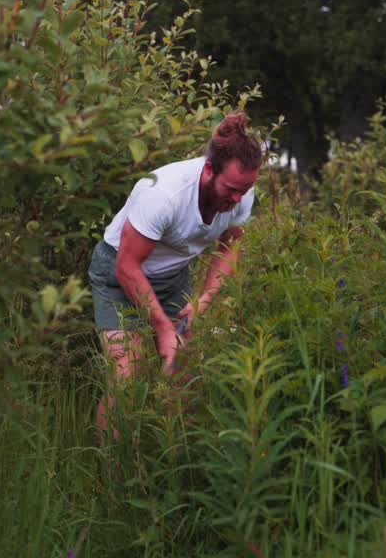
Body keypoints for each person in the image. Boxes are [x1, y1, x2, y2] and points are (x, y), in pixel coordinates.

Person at [88, 110, 262, 436]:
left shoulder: (240, 192)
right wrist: (162, 327)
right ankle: (111, 464)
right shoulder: (164, 194)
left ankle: (169, 454)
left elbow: (230, 246)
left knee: (183, 370)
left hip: (172, 278)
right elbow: (126, 267)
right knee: (128, 374)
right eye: (231, 188)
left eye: (246, 188)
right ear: (208, 170)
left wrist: (203, 300)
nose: (238, 198)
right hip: (119, 276)